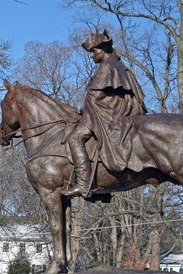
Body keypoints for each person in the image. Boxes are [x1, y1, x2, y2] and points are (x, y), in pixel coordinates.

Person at [62, 30, 147, 197]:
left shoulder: (108, 68)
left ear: (104, 50)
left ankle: (83, 183)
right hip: (107, 112)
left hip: (108, 115)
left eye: (94, 51)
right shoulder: (117, 65)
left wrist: (85, 111)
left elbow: (97, 96)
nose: (92, 55)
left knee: (75, 138)